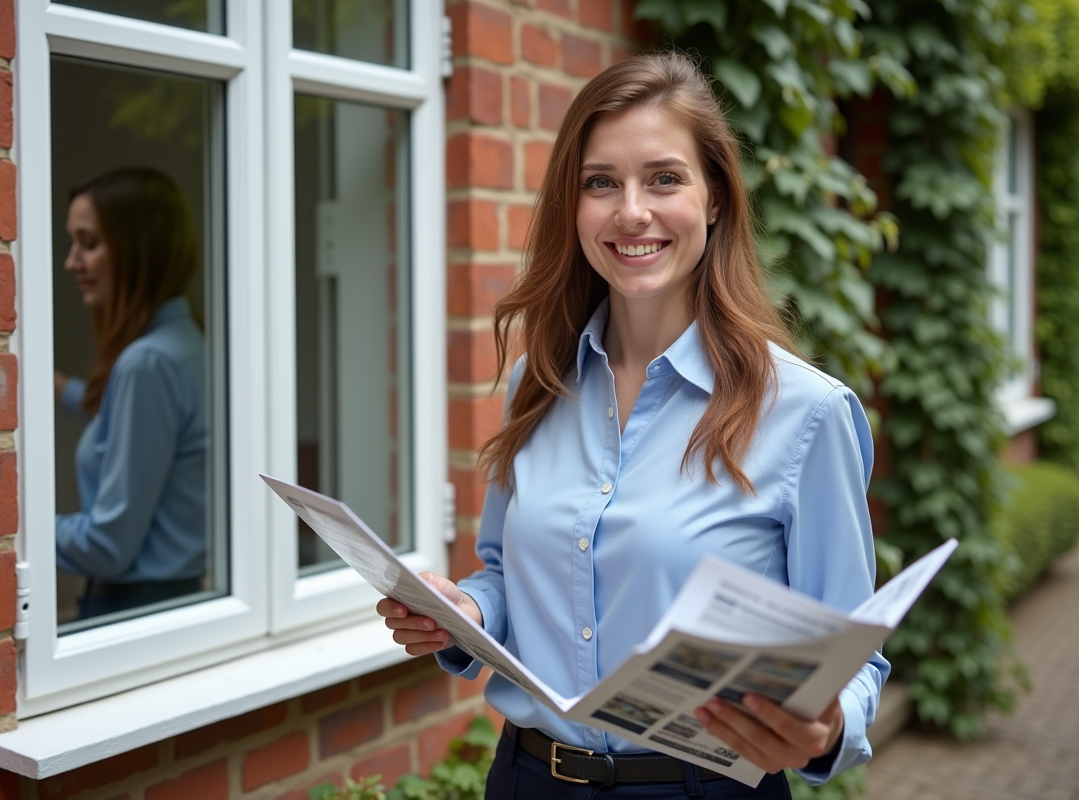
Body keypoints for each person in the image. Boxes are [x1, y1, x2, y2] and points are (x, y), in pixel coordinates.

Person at [378, 53, 890, 798]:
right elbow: (501, 576)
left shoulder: (804, 415)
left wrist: (830, 725)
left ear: (714, 199)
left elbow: (853, 657)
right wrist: (465, 609)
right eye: (601, 183)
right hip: (528, 779)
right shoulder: (538, 384)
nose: (631, 211)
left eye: (664, 178)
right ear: (573, 205)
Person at [54, 167, 208, 620]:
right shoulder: (187, 344)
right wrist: (60, 389)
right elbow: (131, 428)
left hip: (134, 610)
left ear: (136, 251)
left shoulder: (147, 364)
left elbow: (107, 547)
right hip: (173, 601)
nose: (71, 262)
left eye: (89, 243)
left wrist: (8, 531)